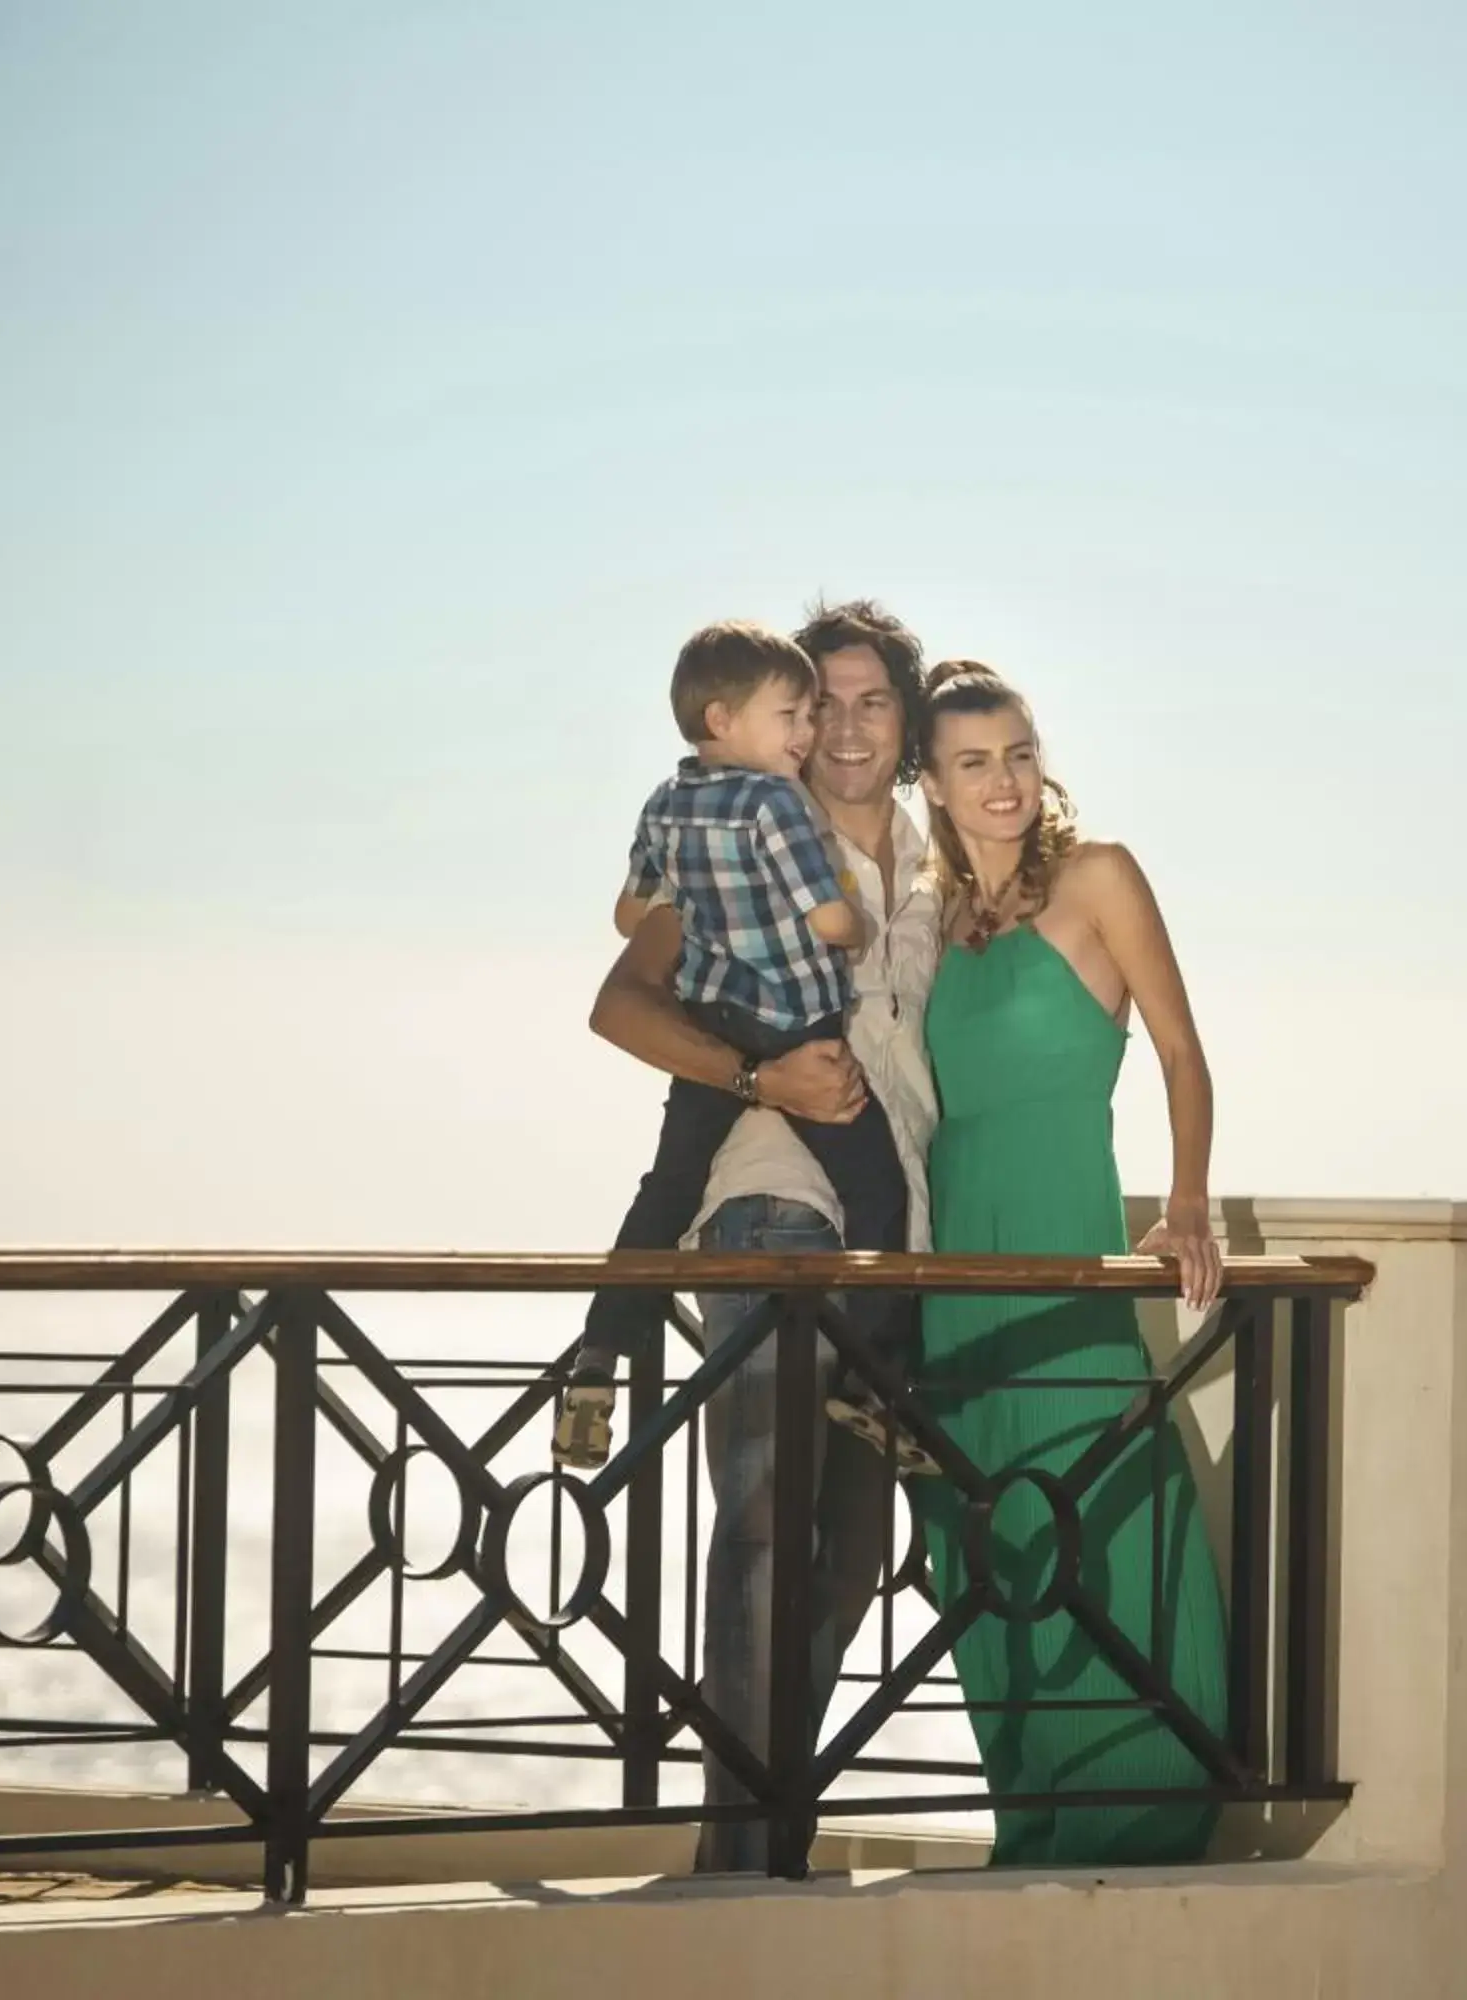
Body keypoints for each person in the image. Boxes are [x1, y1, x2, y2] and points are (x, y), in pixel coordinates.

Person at [576, 599, 944, 1874]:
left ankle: (770, 1809)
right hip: (776, 1193)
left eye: (871, 700)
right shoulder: (738, 829)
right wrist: (759, 1078)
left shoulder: (935, 859)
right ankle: (738, 1855)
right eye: (821, 699)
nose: (841, 723)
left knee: (851, 1557)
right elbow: (622, 1003)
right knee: (761, 1527)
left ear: (903, 723)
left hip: (896, 1224)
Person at [904, 656, 1229, 1869]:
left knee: (1089, 1505)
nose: (1006, 784)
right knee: (984, 1538)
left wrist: (1188, 1202)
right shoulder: (929, 916)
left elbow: (1183, 1054)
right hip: (955, 1271)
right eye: (975, 763)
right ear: (931, 784)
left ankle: (1139, 1796)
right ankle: (1028, 1806)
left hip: (1064, 1244)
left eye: (1021, 754)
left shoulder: (1099, 878)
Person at [563, 620, 912, 1461]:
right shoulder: (777, 806)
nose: (818, 731)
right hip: (792, 1078)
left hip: (720, 1011)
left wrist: (702, 908)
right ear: (726, 718)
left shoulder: (667, 805)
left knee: (665, 1187)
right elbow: (828, 921)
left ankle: (596, 1361)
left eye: (870, 704)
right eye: (803, 710)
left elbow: (626, 911)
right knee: (879, 1195)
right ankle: (875, 1384)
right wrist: (846, 924)